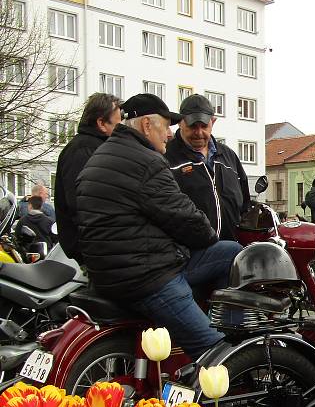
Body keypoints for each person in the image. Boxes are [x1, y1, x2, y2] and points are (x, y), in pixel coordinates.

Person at [75, 93, 241, 360]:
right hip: (147, 278)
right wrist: (207, 237)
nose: (169, 135)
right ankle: (227, 340)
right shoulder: (147, 162)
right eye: (166, 126)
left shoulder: (99, 156)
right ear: (147, 126)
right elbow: (185, 218)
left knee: (229, 250)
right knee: (216, 353)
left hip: (107, 276)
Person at [166, 94, 251, 241]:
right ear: (180, 122)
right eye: (192, 126)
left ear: (213, 121)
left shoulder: (228, 156)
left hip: (233, 249)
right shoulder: (167, 157)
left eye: (204, 126)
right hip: (191, 254)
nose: (199, 133)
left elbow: (245, 204)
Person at [54, 93, 123, 262]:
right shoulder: (82, 150)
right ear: (101, 123)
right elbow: (81, 203)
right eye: (118, 122)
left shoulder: (95, 147)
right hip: (93, 250)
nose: (123, 128)